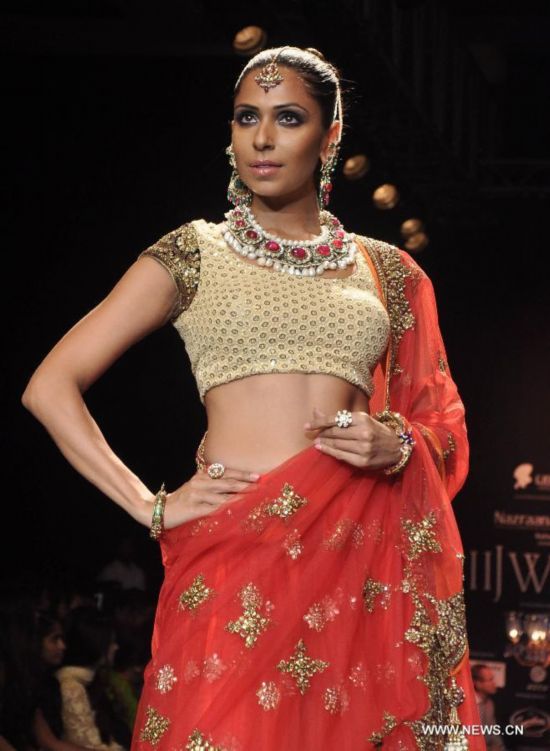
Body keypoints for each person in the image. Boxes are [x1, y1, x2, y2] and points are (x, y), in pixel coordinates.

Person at [21, 45, 485, 750]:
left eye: (288, 117)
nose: (262, 139)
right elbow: (50, 386)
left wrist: (398, 443)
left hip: (354, 577)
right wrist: (152, 504)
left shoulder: (390, 273)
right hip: (233, 564)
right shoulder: (193, 253)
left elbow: (440, 423)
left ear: (330, 137)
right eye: (247, 117)